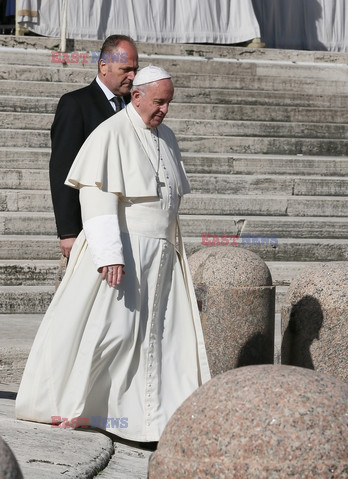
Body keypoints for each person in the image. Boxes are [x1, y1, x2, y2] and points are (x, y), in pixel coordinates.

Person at [15, 66, 211, 442]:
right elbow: (98, 199)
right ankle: (81, 407)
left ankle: (149, 416)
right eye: (158, 102)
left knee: (161, 340)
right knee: (114, 334)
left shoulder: (166, 136)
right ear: (136, 96)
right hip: (123, 252)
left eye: (168, 103)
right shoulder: (109, 134)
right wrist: (109, 255)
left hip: (162, 254)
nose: (164, 110)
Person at [49, 34, 138, 259]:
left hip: (130, 226)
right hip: (89, 226)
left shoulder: (135, 107)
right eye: (126, 69)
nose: (132, 76)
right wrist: (68, 231)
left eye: (135, 69)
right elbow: (63, 168)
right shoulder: (75, 104)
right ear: (103, 65)